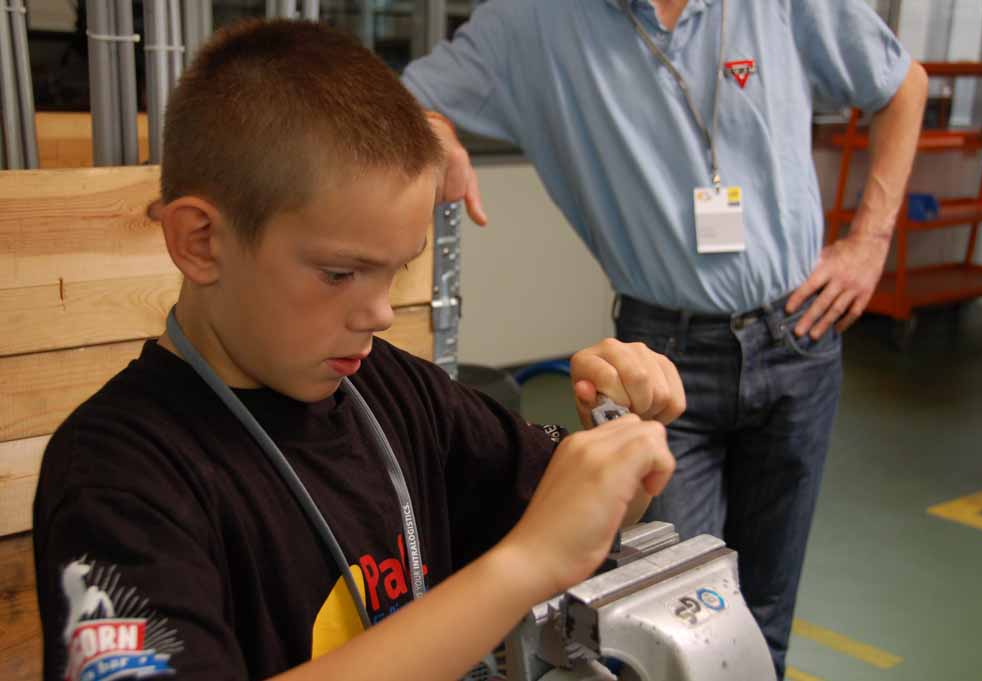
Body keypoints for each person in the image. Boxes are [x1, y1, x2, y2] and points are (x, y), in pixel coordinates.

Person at [32, 19, 686, 681]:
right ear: (201, 242)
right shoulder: (117, 474)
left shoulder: (396, 393)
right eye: (340, 273)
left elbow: (580, 517)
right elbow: (544, 549)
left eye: (396, 270)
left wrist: (618, 441)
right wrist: (525, 565)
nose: (379, 313)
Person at [401, 0, 928, 676]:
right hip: (660, 360)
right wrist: (436, 131)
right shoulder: (532, 21)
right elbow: (400, 101)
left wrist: (871, 240)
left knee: (765, 617)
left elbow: (902, 83)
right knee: (665, 617)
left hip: (800, 334)